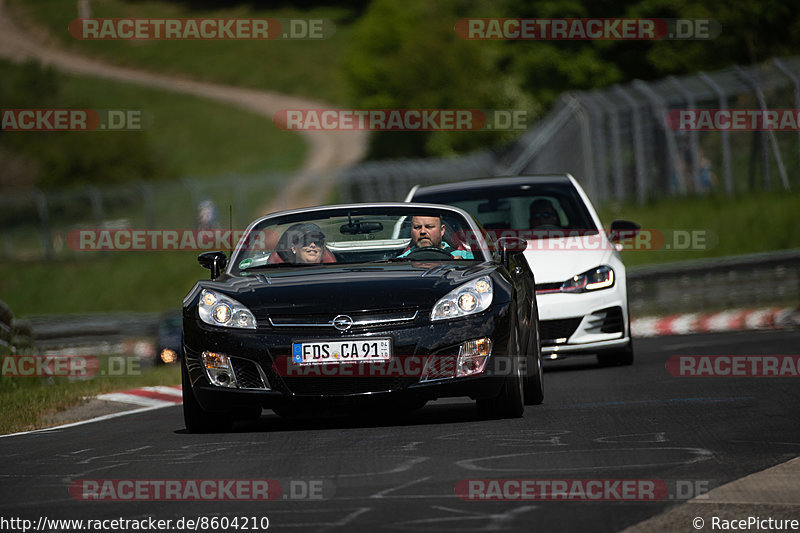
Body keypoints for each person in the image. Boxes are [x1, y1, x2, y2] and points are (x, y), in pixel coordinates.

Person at [398, 215, 473, 259]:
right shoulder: (401, 261)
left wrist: (462, 266)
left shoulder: (464, 257)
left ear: (442, 230)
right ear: (411, 231)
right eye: (417, 227)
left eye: (429, 227)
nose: (423, 231)